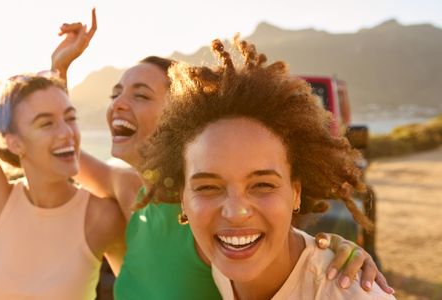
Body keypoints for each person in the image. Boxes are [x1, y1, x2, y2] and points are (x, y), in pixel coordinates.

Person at [51, 17, 394, 299]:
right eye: (115, 94)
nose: (118, 104)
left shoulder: (219, 227)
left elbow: (295, 257)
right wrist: (59, 69)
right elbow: (62, 152)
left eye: (140, 95)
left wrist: (341, 255)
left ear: (180, 116)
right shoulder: (132, 193)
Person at [140, 37, 395, 299]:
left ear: (296, 191)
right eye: (207, 187)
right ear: (182, 197)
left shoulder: (348, 293)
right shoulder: (211, 260)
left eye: (262, 184)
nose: (236, 213)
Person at [0, 0, 124, 299]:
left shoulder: (101, 217)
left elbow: (142, 287)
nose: (67, 133)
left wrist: (59, 70)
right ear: (13, 141)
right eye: (46, 123)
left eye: (71, 118)